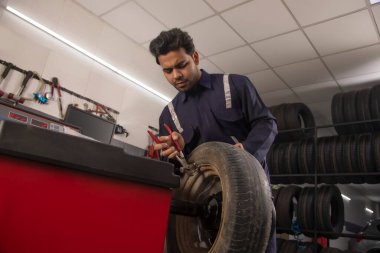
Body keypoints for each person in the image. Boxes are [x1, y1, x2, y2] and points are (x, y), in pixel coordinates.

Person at [149, 28, 277, 253]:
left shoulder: (235, 85)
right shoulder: (169, 114)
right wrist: (176, 152)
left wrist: (246, 150)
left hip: (252, 196)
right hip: (204, 207)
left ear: (195, 57)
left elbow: (267, 123)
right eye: (167, 70)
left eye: (181, 65)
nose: (176, 75)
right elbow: (177, 171)